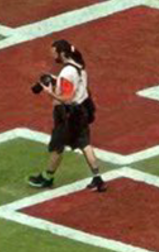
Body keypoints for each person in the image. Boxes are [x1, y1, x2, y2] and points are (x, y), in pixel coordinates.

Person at [27, 39, 105, 192]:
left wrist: (50, 92)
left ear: (62, 53)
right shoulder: (79, 67)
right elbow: (77, 88)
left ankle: (47, 178)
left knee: (57, 145)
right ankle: (98, 178)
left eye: (54, 53)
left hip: (69, 115)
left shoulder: (66, 73)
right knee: (85, 144)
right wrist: (56, 80)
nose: (53, 56)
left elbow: (66, 98)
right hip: (82, 110)